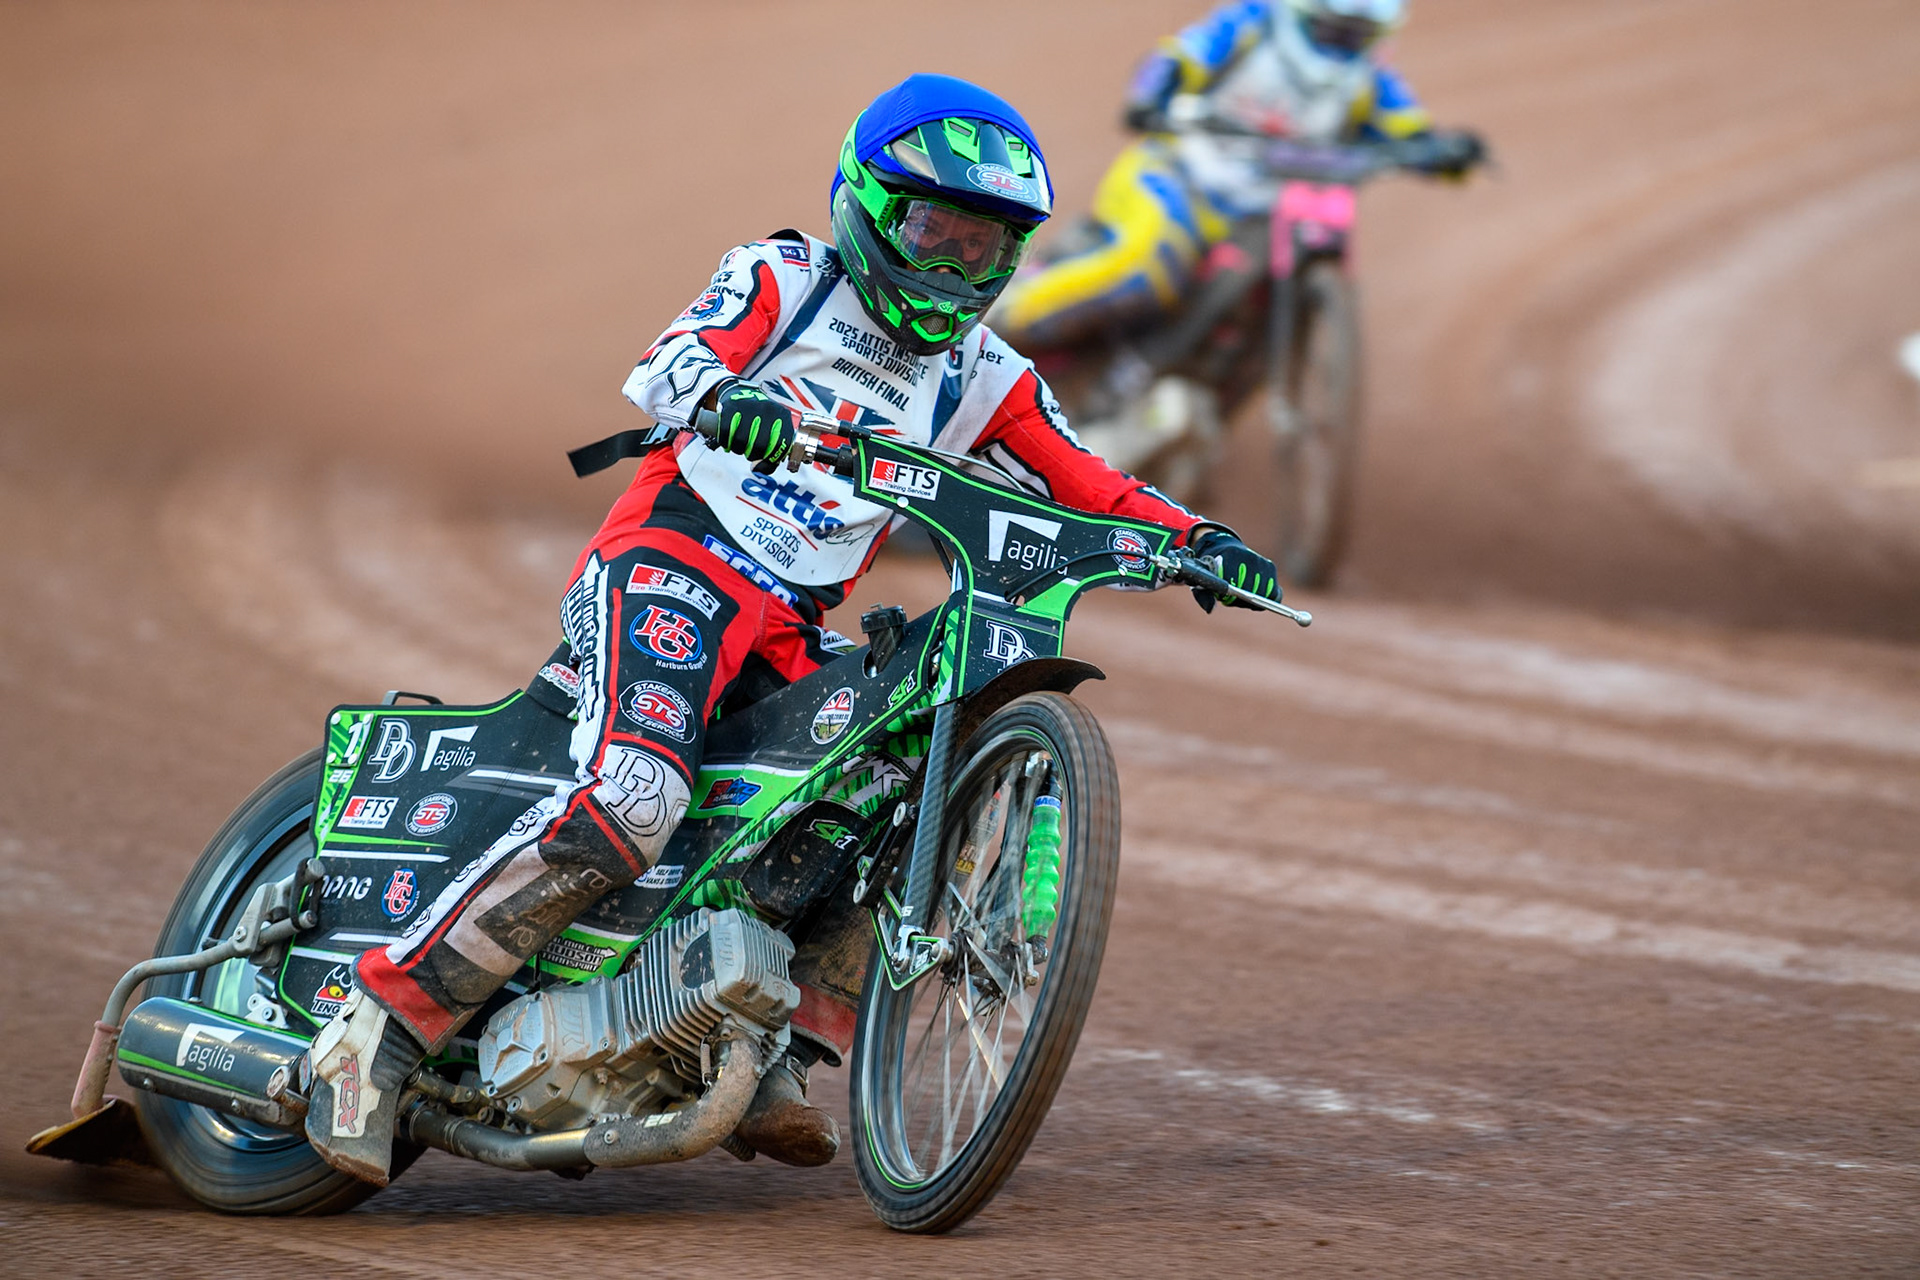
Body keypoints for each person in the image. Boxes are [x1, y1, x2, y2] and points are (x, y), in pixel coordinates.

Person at [301, 72, 1283, 1187]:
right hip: (673, 561)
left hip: (790, 624)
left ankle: (772, 1046)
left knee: (898, 791)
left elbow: (1085, 478)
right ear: (866, 203)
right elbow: (669, 362)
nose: (958, 267)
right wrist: (727, 395)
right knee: (635, 796)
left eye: (985, 247)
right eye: (935, 231)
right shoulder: (783, 278)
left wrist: (1198, 537)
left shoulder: (986, 376)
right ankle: (375, 1029)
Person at [993, 0, 1483, 349]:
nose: (1341, 48)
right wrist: (1150, 95)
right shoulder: (1253, 23)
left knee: (1261, 312)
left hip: (1262, 219)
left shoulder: (1370, 77)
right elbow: (1178, 57)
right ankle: (991, 328)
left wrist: (1447, 153)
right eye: (1332, 31)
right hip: (1179, 178)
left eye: (1356, 36)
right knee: (1143, 272)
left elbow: (1409, 132)